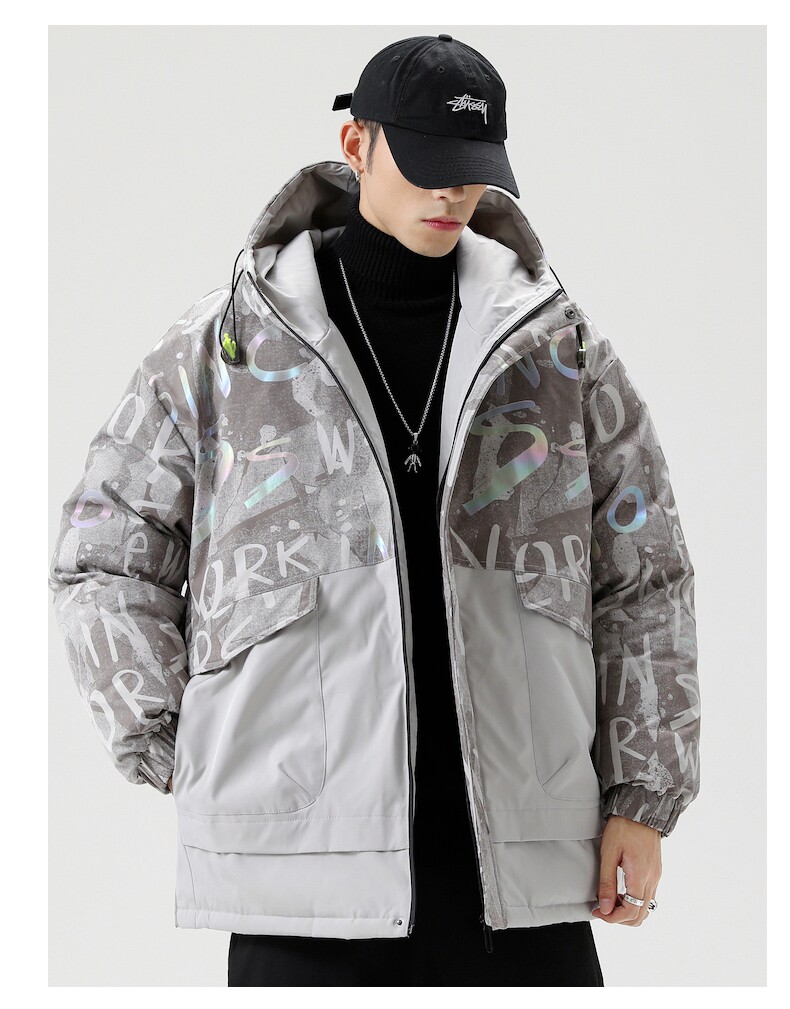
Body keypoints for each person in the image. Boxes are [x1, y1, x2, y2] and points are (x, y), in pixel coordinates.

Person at [49, 34, 700, 986]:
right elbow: (103, 552)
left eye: (472, 168)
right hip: (300, 883)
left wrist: (643, 796)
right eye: (428, 163)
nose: (453, 193)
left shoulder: (557, 350)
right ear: (356, 145)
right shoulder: (226, 347)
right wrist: (176, 739)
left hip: (520, 873)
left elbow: (646, 575)